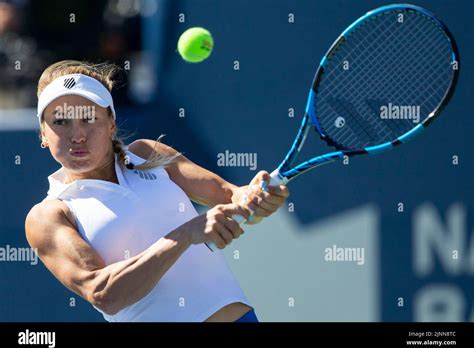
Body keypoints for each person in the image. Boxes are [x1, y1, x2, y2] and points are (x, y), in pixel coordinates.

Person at [25, 60, 289, 322]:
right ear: (43, 135)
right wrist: (185, 234)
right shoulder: (49, 216)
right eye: (61, 122)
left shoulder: (148, 154)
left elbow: (230, 196)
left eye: (89, 118)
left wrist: (255, 199)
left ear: (111, 124)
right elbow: (104, 294)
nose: (78, 135)